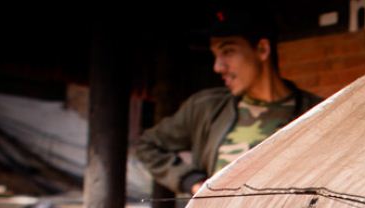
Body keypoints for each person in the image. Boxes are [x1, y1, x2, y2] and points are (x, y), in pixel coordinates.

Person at [134, 8, 321, 196]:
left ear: (262, 49)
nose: (217, 67)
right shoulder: (206, 107)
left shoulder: (318, 114)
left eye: (228, 51)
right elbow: (147, 145)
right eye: (215, 55)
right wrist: (191, 180)